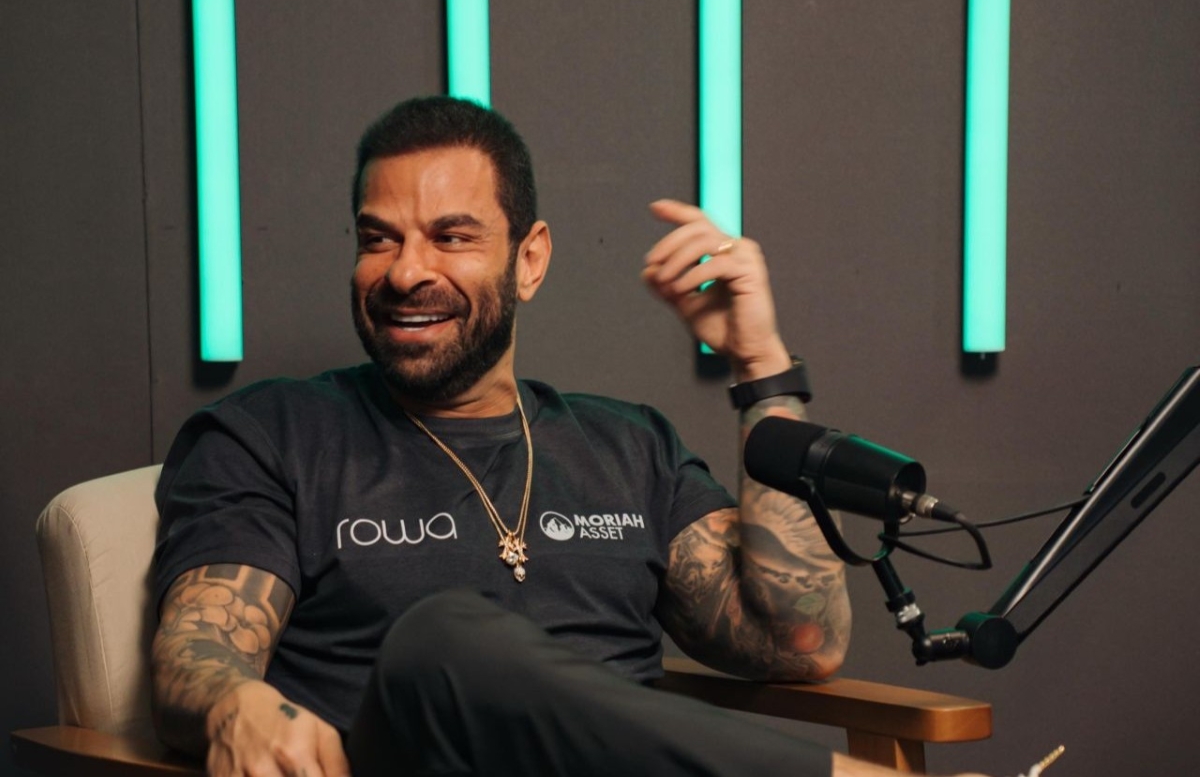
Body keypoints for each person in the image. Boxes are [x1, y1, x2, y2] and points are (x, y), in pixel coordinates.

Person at [151, 96, 990, 777]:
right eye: (379, 239)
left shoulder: (628, 446)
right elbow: (198, 649)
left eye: (451, 236)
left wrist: (760, 366)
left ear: (529, 260)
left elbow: (799, 643)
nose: (405, 271)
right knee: (446, 641)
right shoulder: (269, 433)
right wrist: (234, 702)